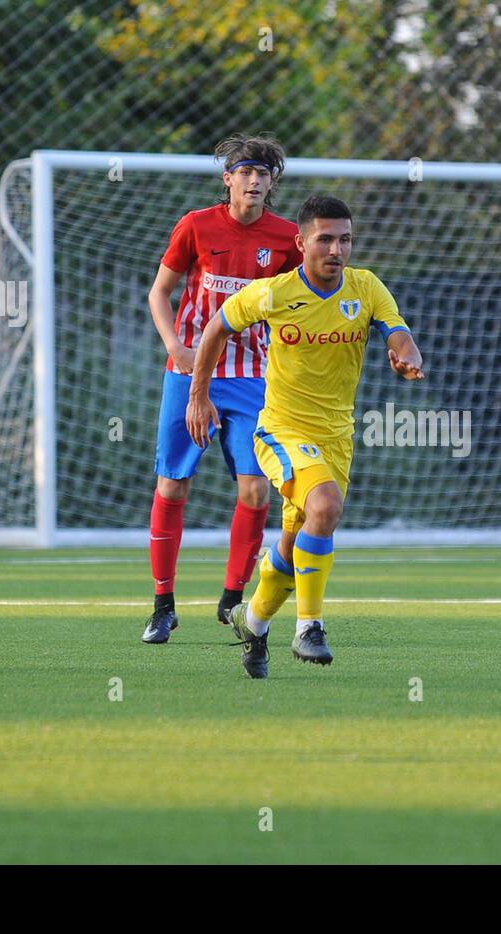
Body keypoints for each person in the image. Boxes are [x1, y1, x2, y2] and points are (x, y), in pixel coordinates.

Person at [186, 196, 425, 678]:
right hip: (280, 430)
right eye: (325, 239)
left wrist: (408, 356)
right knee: (326, 507)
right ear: (301, 243)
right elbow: (215, 328)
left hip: (337, 439)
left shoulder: (366, 287)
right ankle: (309, 627)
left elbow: (398, 332)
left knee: (300, 537)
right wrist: (198, 395)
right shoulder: (273, 293)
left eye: (345, 239)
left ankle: (251, 622)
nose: (337, 249)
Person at [141, 134, 302, 643]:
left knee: (255, 490)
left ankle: (233, 598)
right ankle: (162, 605)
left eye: (264, 173)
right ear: (227, 179)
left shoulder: (286, 238)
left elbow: (297, 306)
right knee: (173, 485)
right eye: (246, 171)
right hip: (189, 375)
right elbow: (160, 293)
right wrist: (178, 347)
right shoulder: (196, 225)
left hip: (253, 379)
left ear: (272, 182)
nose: (255, 180)